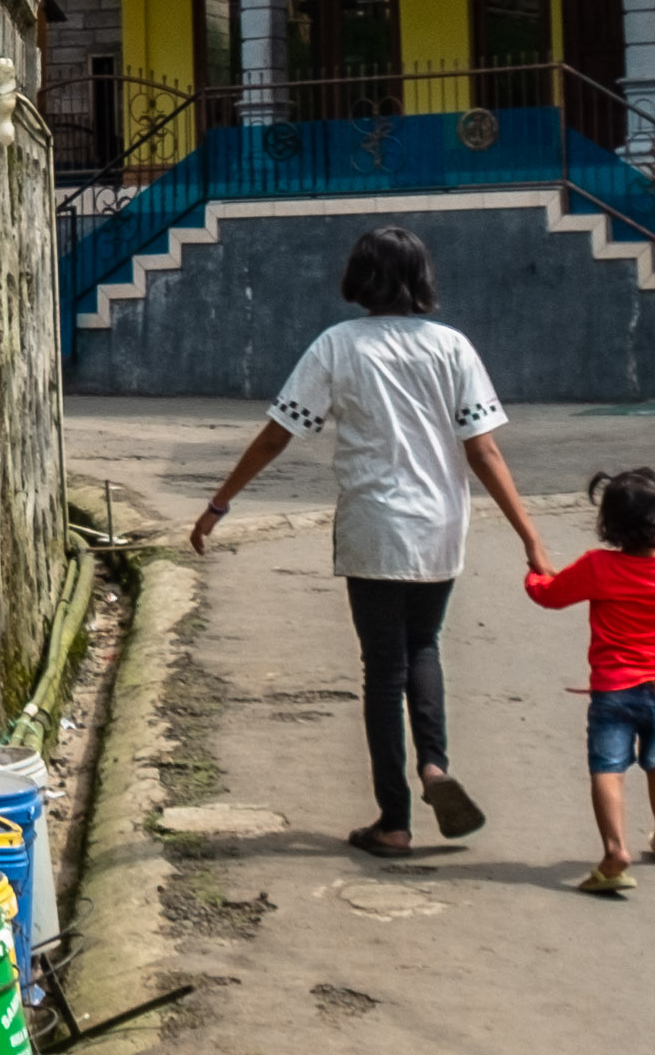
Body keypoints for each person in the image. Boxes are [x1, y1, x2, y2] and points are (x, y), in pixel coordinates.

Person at [188, 227, 548, 855]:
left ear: (359, 276)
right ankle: (434, 764)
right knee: (424, 647)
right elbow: (483, 448)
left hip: (375, 525)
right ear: (421, 278)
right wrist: (530, 536)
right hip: (440, 525)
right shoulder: (452, 347)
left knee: (383, 671)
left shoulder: (337, 345)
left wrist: (220, 502)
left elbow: (280, 433)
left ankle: (395, 821)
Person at [523, 465, 655, 897]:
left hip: (614, 690)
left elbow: (549, 595)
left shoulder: (597, 566)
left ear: (608, 525)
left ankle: (615, 850)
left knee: (608, 769)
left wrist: (535, 570)